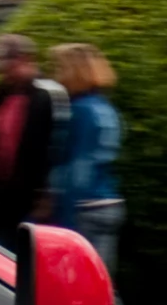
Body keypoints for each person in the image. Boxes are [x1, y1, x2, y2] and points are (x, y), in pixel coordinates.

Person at [0, 34, 67, 242]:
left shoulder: (48, 95)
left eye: (6, 64)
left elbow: (58, 148)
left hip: (34, 206)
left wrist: (46, 195)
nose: (1, 71)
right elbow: (3, 144)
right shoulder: (2, 96)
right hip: (2, 202)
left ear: (25, 59)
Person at [47, 42, 126, 277]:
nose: (55, 75)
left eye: (59, 68)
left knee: (81, 282)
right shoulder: (105, 108)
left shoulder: (79, 110)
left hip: (84, 208)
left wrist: (63, 218)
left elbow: (79, 167)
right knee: (101, 281)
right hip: (109, 202)